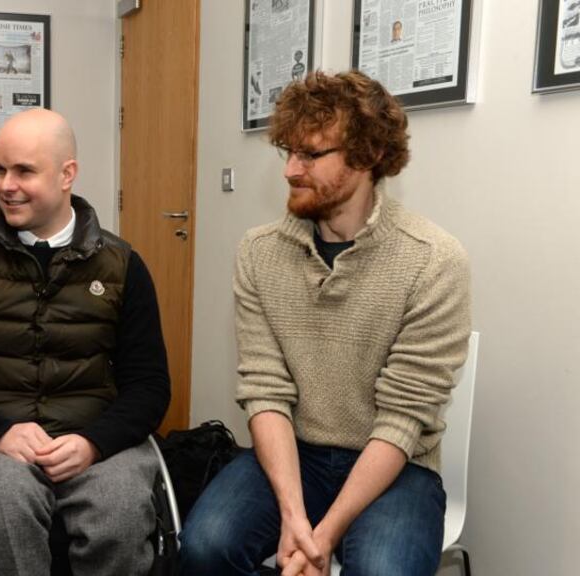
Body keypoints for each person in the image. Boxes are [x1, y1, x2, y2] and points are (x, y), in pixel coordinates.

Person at [180, 70, 471, 576]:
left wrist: (324, 534)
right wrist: (294, 516)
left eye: (311, 155)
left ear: (368, 156)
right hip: (295, 455)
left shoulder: (433, 260)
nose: (291, 170)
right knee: (206, 546)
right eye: (288, 152)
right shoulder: (259, 252)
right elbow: (265, 390)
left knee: (385, 570)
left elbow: (404, 419)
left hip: (396, 466)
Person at [0, 108, 171, 576]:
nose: (6, 184)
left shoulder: (123, 266)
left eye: (24, 170)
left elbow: (149, 385)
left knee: (121, 509)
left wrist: (94, 442)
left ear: (67, 174)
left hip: (97, 438)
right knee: (4, 505)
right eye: (0, 169)